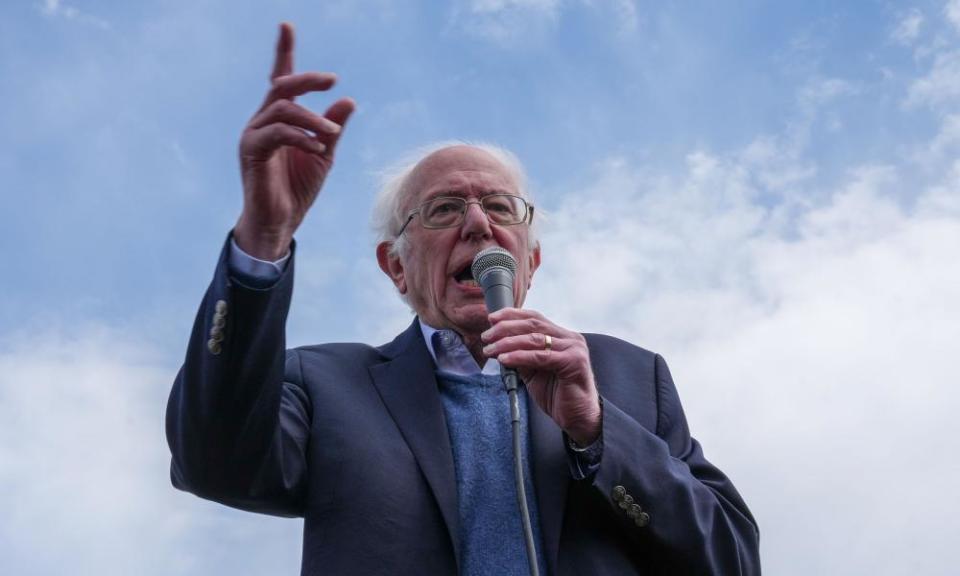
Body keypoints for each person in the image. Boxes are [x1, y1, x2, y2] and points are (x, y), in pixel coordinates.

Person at [166, 22, 760, 576]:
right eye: (444, 209)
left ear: (530, 259)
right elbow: (214, 462)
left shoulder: (630, 378)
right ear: (395, 266)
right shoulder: (324, 385)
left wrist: (597, 432)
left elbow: (730, 559)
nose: (478, 225)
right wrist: (264, 238)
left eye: (500, 208)